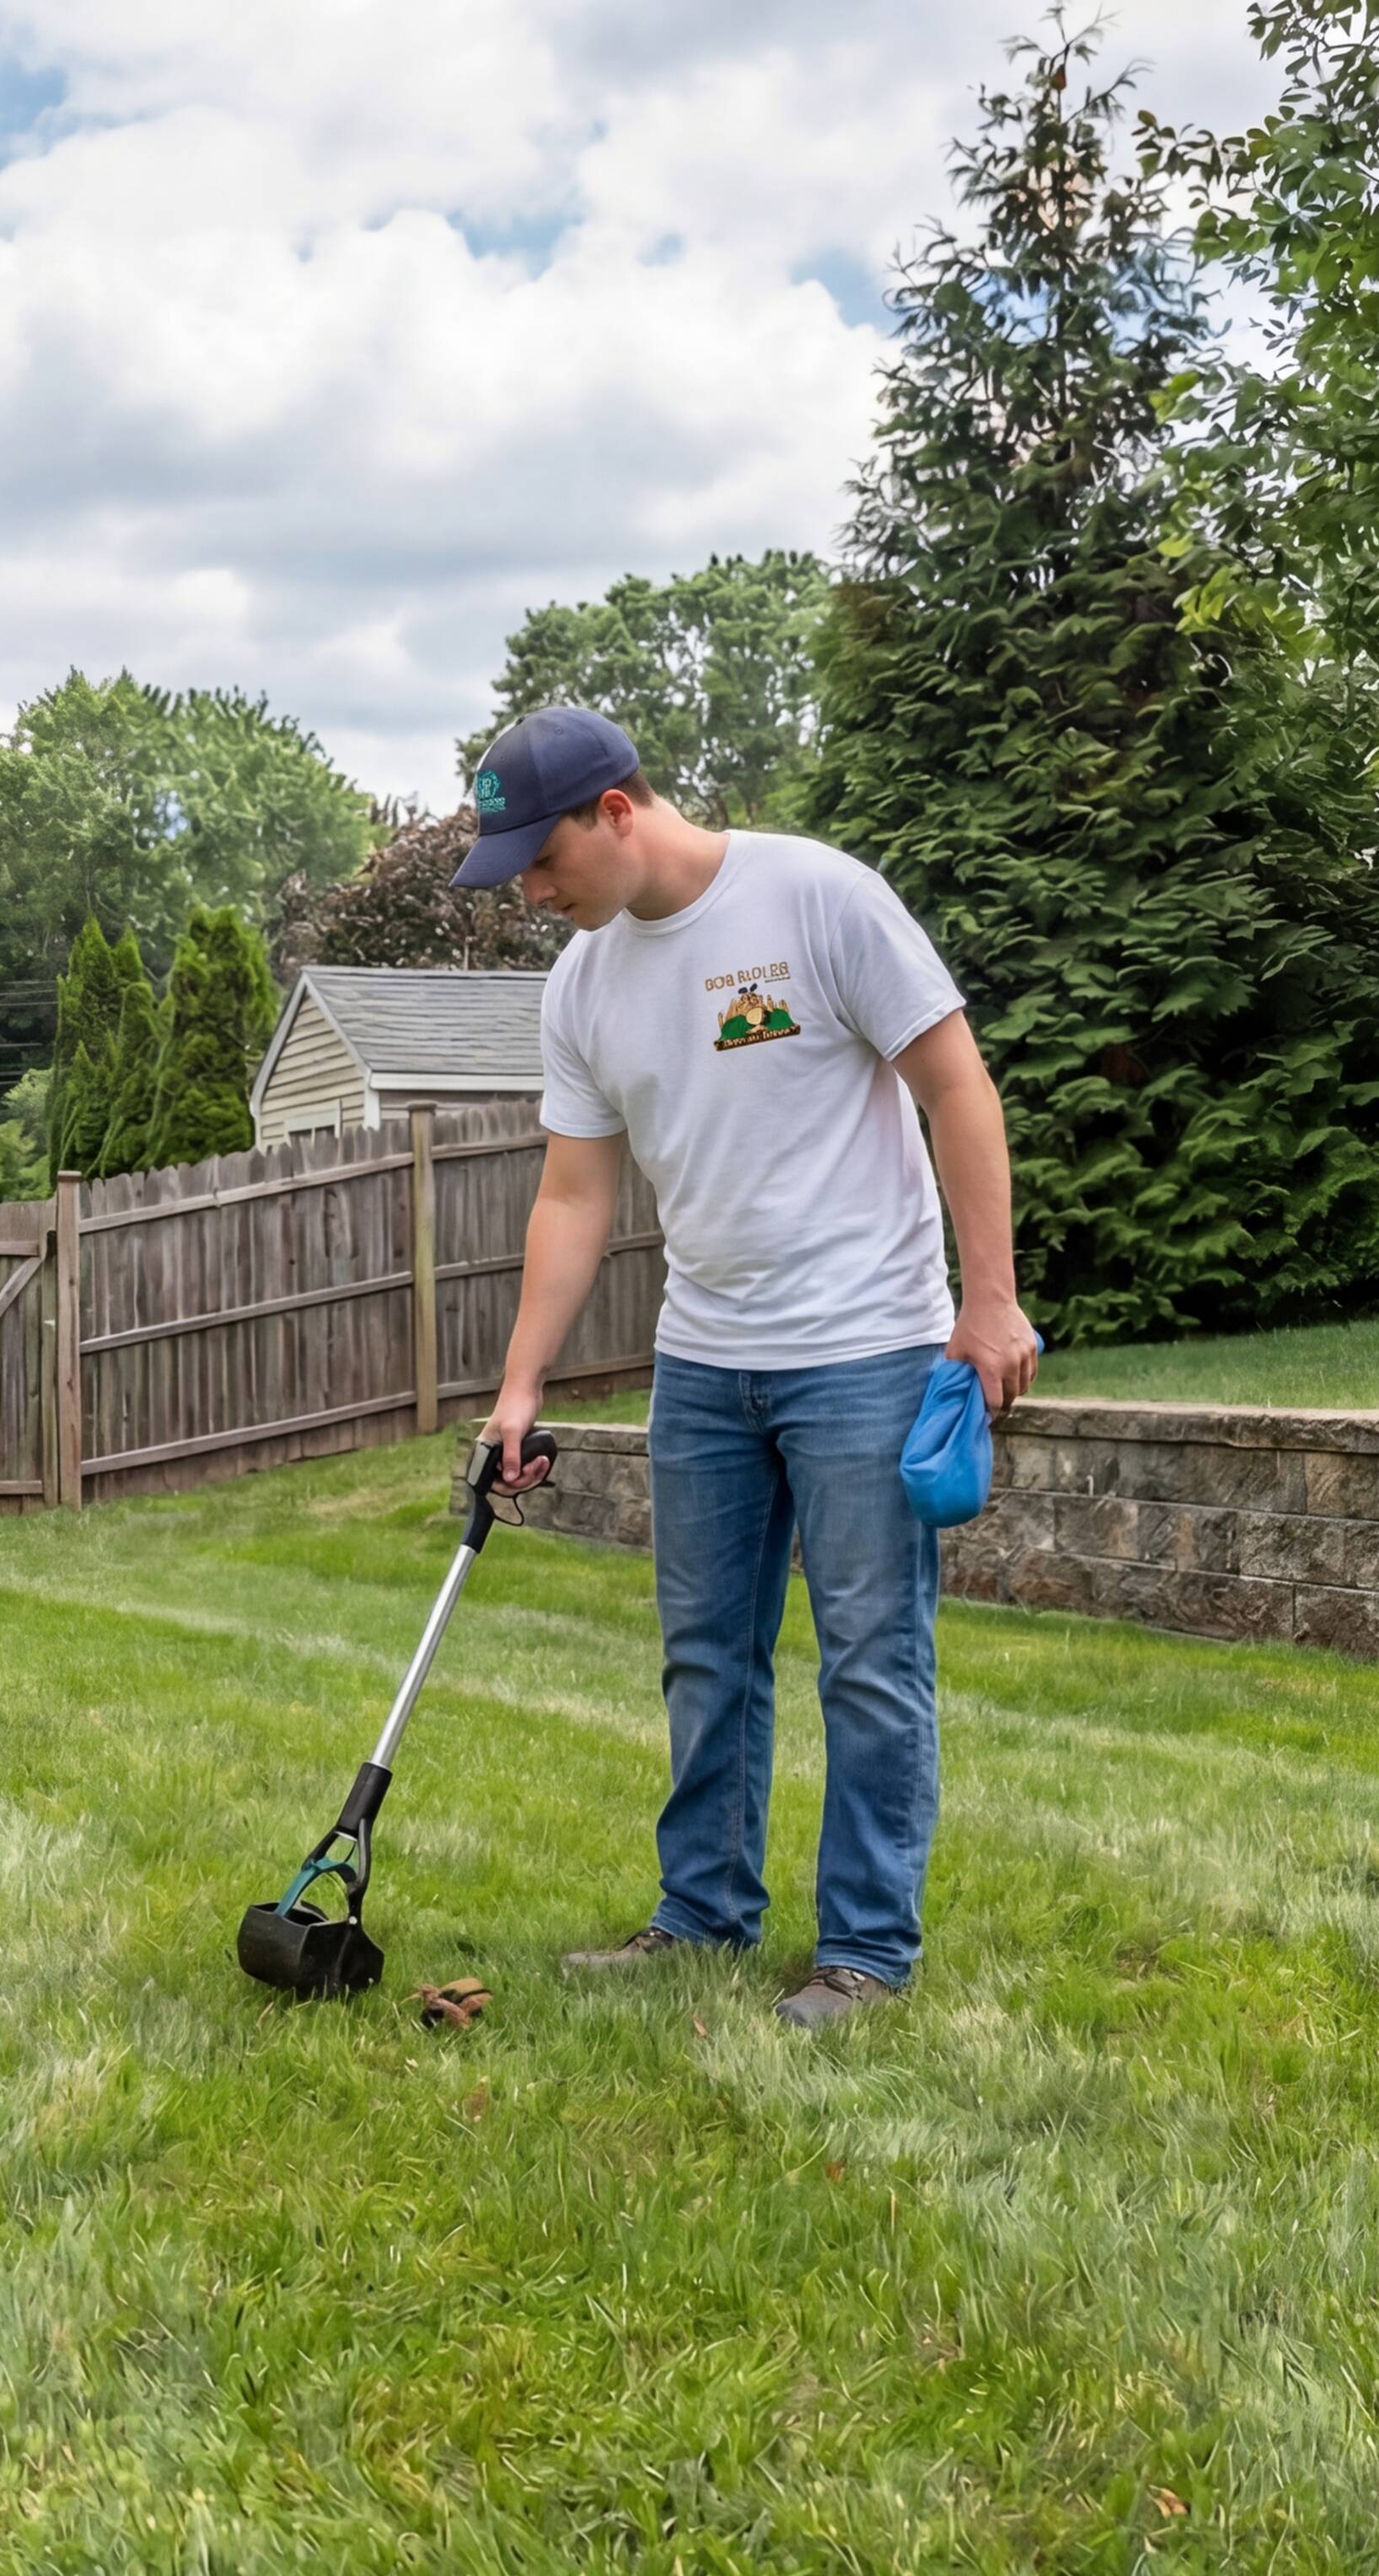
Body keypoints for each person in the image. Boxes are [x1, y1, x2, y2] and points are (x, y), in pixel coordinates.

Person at [468, 705, 1037, 2030]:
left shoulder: (818, 897)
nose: (534, 895)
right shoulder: (581, 987)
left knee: (869, 1659)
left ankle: (866, 1952)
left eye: (541, 862)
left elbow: (957, 1087)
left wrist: (989, 1298)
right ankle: (704, 1915)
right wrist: (519, 1386)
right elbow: (571, 1198)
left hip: (867, 1347)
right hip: (705, 1362)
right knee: (707, 1654)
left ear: (617, 810)